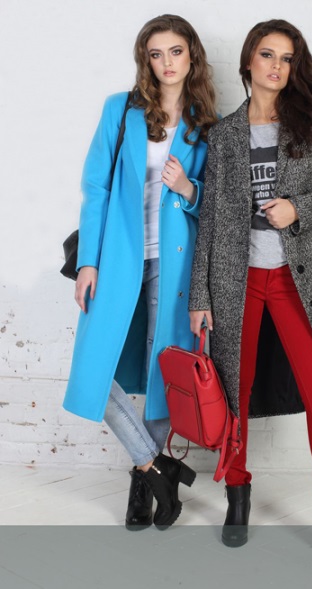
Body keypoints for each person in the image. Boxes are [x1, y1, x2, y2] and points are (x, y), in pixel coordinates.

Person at [189, 19, 312, 570]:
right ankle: (238, 496)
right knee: (235, 394)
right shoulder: (223, 135)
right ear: (249, 60)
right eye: (267, 55)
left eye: (287, 58)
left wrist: (297, 208)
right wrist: (200, 296)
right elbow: (211, 220)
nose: (276, 66)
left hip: (298, 282)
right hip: (237, 282)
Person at [63, 14, 217, 531]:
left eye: (175, 51)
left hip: (177, 264)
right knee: (93, 367)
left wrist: (188, 188)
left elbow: (221, 207)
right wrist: (88, 261)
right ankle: (155, 467)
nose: (166, 63)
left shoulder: (208, 123)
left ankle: (142, 483)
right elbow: (97, 188)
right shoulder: (121, 110)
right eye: (156, 54)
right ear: (145, 60)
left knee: (163, 371)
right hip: (119, 258)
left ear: (191, 55)